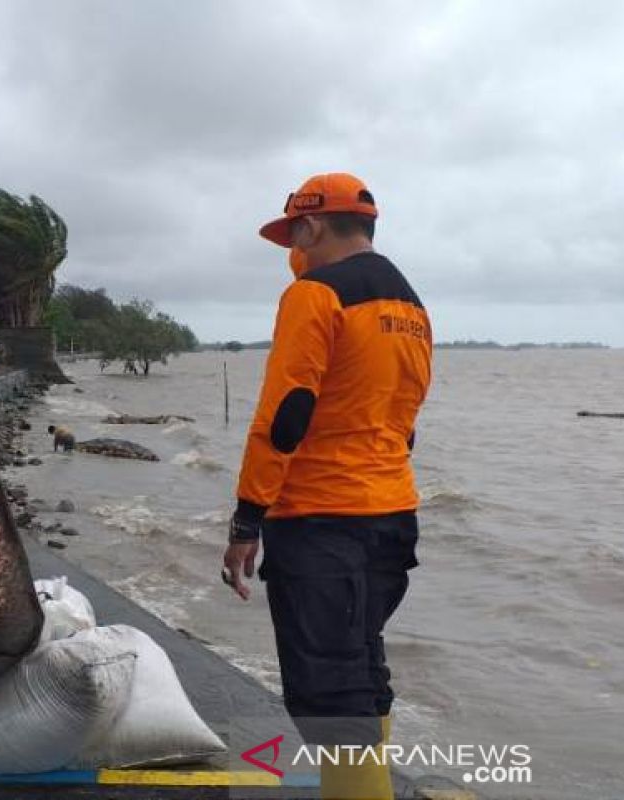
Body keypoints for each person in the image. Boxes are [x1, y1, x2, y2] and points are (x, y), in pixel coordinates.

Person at [221, 174, 432, 800]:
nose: (294, 252)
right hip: (392, 515)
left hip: (320, 519)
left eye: (294, 236)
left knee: (333, 704)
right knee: (363, 674)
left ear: (311, 226)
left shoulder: (314, 294)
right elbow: (405, 420)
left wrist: (245, 522)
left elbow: (286, 415)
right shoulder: (411, 306)